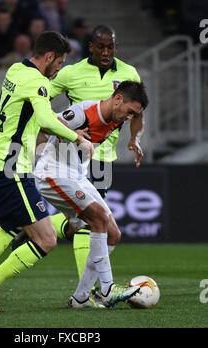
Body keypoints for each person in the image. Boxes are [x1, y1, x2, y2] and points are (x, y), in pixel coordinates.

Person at [0, 31, 93, 314]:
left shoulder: (16, 70)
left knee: (12, 226)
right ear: (49, 57)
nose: (60, 68)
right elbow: (43, 117)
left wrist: (64, 130)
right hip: (13, 169)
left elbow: (33, 115)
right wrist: (78, 138)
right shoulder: (38, 81)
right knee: (46, 239)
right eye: (60, 62)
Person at [34, 81, 149, 308]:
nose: (129, 118)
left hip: (76, 176)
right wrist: (70, 133)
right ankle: (107, 289)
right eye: (129, 112)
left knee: (113, 234)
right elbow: (43, 125)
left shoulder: (116, 120)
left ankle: (80, 298)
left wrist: (134, 140)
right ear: (117, 99)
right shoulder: (81, 112)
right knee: (98, 218)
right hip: (53, 173)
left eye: (133, 115)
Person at [49, 24, 144, 281]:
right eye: (100, 46)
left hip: (104, 160)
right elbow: (41, 97)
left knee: (87, 222)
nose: (106, 52)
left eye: (111, 47)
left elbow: (138, 112)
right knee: (92, 223)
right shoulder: (70, 73)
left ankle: (48, 226)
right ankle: (88, 290)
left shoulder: (129, 73)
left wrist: (135, 138)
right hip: (74, 155)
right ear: (90, 47)